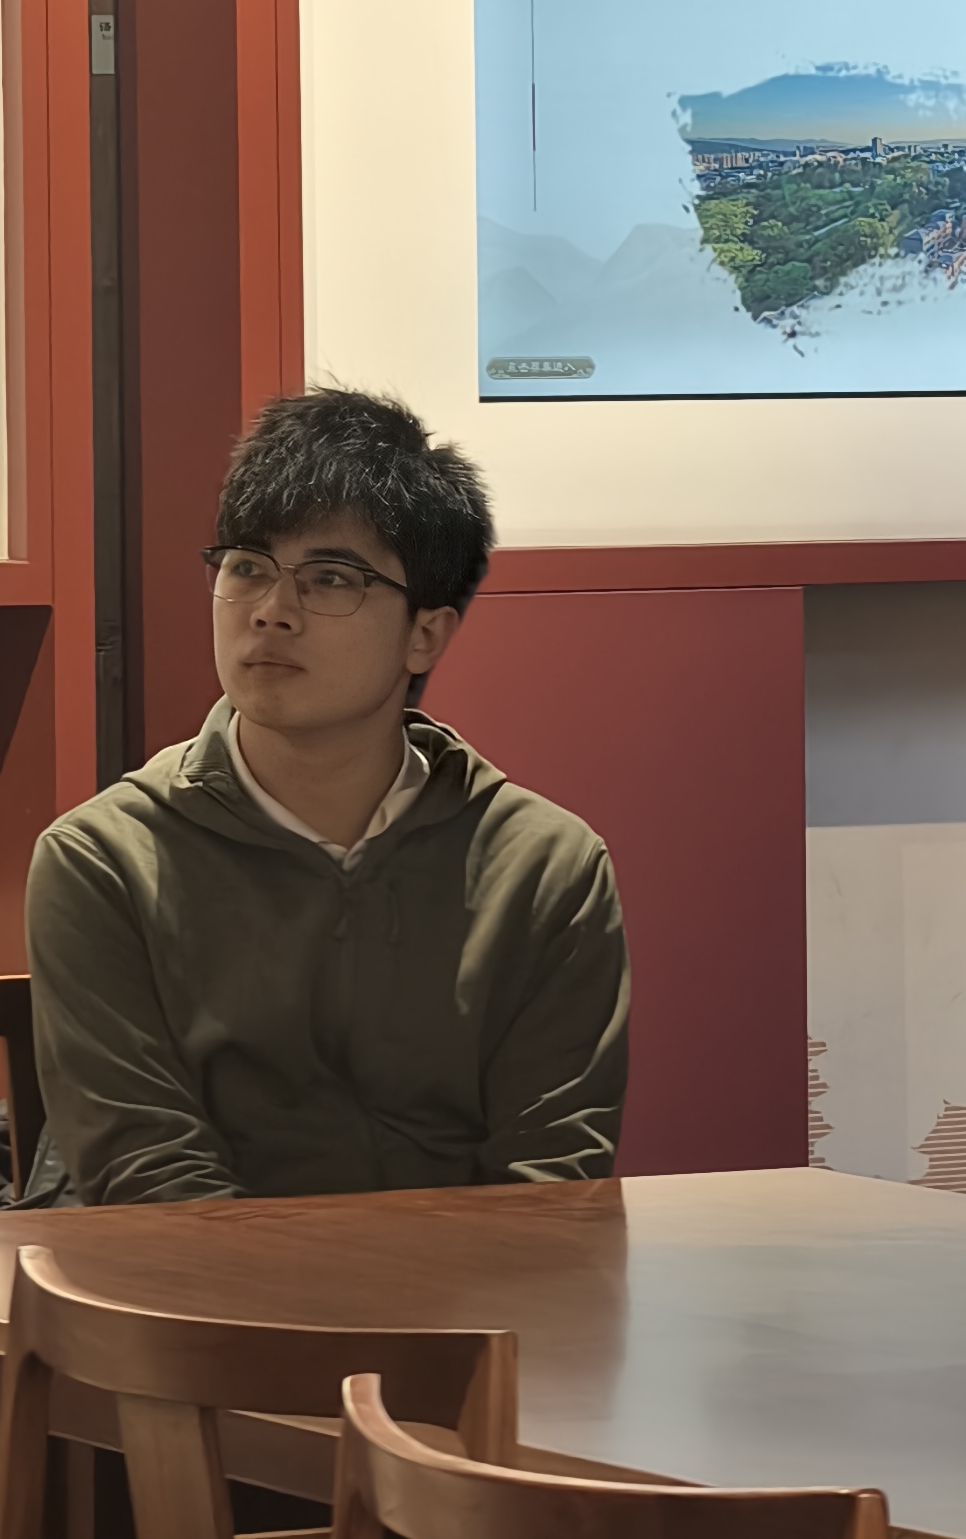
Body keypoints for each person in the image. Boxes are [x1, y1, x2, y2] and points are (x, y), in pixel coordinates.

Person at [31, 387, 626, 1202]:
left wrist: (435, 1285)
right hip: (199, 1281)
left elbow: (552, 1174)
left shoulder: (547, 867)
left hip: (480, 1279)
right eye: (247, 567)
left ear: (425, 634)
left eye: (331, 579)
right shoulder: (104, 861)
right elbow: (148, 1177)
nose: (272, 613)